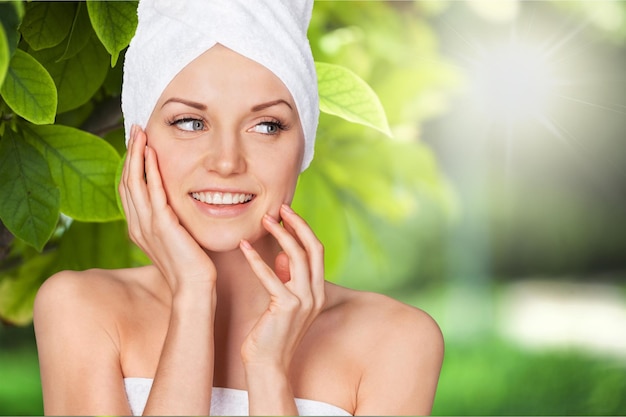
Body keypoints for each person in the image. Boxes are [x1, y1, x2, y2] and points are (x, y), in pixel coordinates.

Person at [33, 0, 444, 415]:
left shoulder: (396, 340)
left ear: (305, 145)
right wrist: (192, 297)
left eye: (267, 126)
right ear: (138, 143)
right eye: (190, 122)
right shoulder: (81, 308)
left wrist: (268, 371)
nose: (227, 161)